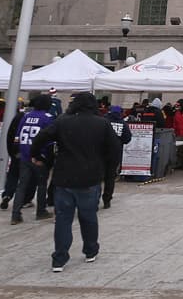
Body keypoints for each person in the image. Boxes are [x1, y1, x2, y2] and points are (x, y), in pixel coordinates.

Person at [30, 91, 119, 271]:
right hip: (90, 176)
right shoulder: (101, 123)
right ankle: (90, 250)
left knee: (63, 219)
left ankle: (59, 258)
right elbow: (114, 149)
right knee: (89, 217)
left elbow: (41, 137)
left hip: (64, 177)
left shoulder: (63, 121)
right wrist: (107, 167)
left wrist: (36, 155)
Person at [10, 94, 56, 224]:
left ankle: (15, 214)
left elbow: (17, 137)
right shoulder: (48, 118)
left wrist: (18, 152)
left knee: (22, 185)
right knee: (41, 184)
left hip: (24, 155)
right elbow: (50, 139)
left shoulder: (26, 116)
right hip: (40, 156)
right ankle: (41, 211)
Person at [103, 105, 132, 208]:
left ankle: (94, 198)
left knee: (97, 175)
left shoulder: (103, 121)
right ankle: (107, 199)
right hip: (115, 153)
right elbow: (127, 139)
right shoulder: (123, 124)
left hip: (100, 152)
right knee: (110, 177)